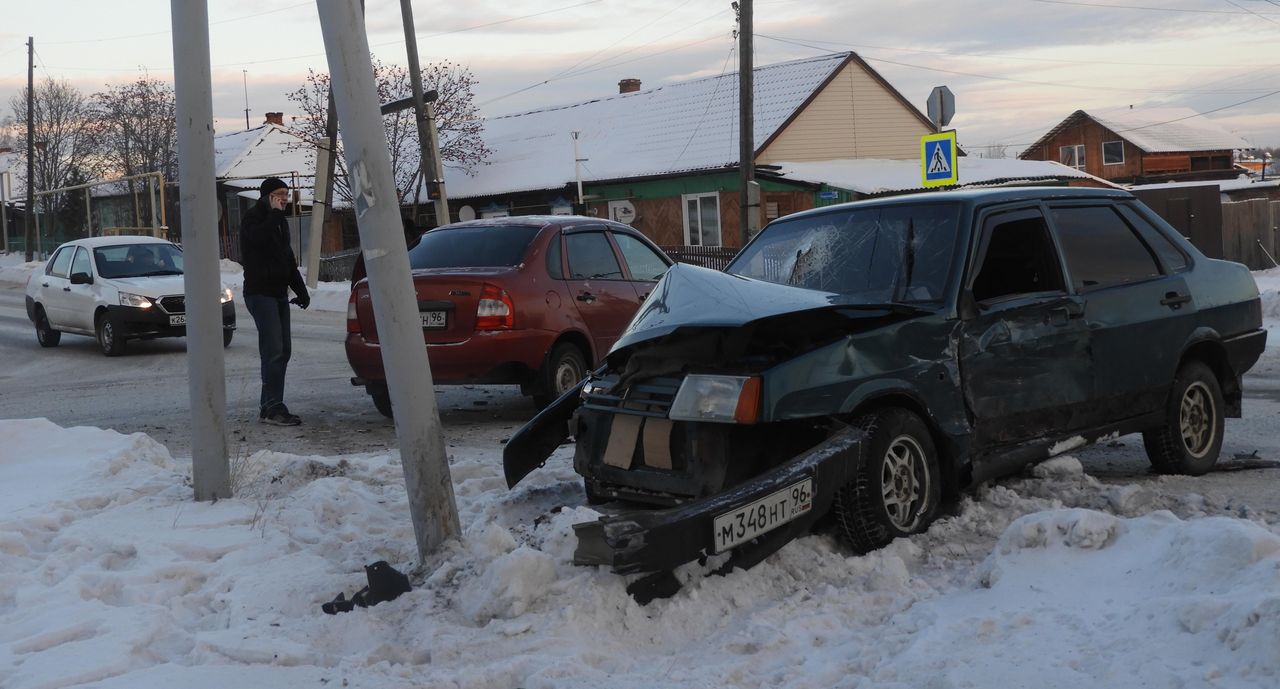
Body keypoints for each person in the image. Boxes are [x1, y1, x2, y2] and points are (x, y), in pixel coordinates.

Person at [241, 177, 310, 426]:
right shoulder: (254, 218)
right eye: (279, 194)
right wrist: (275, 216)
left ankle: (268, 405)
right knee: (273, 352)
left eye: (286, 194)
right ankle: (273, 408)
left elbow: (287, 258)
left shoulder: (278, 221)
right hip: (260, 294)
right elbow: (257, 239)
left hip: (279, 293)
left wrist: (300, 291)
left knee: (283, 351)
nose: (284, 198)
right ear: (268, 196)